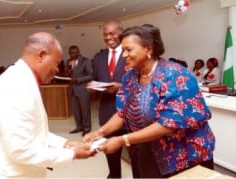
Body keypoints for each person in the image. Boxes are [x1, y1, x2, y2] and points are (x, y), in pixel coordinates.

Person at [0, 32, 95, 179]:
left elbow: (33, 132)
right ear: (41, 55)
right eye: (56, 63)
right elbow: (21, 150)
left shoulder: (22, 78)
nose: (57, 70)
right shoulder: (17, 86)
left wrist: (65, 144)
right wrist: (71, 154)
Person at [84, 24, 215, 178]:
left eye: (129, 49)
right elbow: (122, 113)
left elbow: (168, 124)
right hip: (147, 151)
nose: (124, 55)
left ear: (149, 48)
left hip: (184, 156)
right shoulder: (130, 77)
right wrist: (100, 132)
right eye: (123, 49)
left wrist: (122, 140)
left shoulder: (175, 75)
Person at [91, 20, 128, 179]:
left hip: (130, 114)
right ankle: (114, 176)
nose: (108, 37)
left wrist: (121, 87)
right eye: (105, 34)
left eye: (112, 33)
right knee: (111, 154)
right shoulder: (99, 58)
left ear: (121, 32)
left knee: (137, 155)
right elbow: (96, 79)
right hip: (107, 113)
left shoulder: (131, 53)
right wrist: (92, 85)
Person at [67, 45, 93, 136]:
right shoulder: (69, 61)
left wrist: (78, 80)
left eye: (74, 52)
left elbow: (90, 75)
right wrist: (68, 73)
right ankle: (79, 127)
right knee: (75, 110)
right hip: (72, 90)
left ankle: (87, 128)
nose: (72, 54)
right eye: (70, 53)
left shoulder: (86, 61)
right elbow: (69, 74)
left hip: (83, 89)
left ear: (78, 52)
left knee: (85, 110)